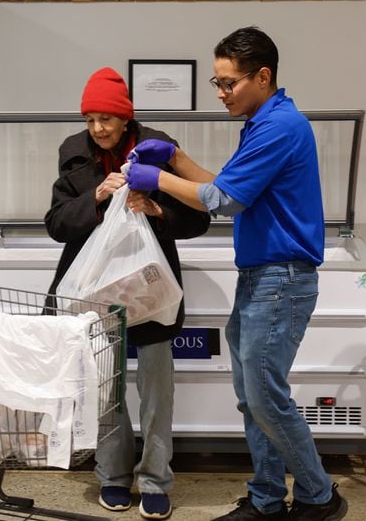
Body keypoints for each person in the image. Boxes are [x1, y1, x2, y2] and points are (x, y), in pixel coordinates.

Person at [125, 27, 347, 521]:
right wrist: (177, 159)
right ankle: (267, 500)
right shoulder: (261, 124)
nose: (222, 93)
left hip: (281, 278)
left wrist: (156, 179)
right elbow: (225, 184)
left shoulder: (281, 127)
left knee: (266, 396)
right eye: (217, 82)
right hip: (259, 277)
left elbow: (225, 201)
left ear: (263, 76)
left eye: (229, 83)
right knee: (252, 397)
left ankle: (319, 495)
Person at [44, 67, 210, 520]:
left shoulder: (157, 146)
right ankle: (114, 477)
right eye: (90, 118)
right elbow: (57, 224)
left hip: (149, 288)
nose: (98, 128)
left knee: (157, 389)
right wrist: (97, 196)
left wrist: (155, 208)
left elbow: (199, 217)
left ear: (126, 118)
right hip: (94, 289)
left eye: (107, 119)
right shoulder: (72, 152)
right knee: (106, 389)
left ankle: (156, 480)